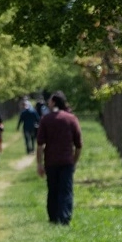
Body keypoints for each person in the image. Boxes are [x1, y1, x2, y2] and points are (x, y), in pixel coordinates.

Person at [36, 91, 82, 225]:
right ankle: (65, 217)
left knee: (53, 190)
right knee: (66, 190)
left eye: (49, 101)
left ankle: (54, 217)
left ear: (54, 102)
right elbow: (78, 144)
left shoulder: (46, 119)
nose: (48, 103)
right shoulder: (71, 119)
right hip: (67, 161)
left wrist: (39, 163)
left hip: (51, 161)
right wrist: (74, 161)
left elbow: (40, 144)